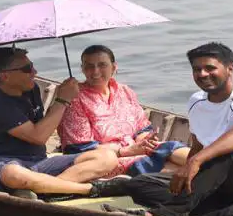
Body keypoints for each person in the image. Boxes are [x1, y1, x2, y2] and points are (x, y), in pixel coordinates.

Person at [114, 42, 233, 216]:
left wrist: (195, 162)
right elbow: (197, 146)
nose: (203, 74)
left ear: (229, 69)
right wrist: (186, 173)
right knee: (139, 184)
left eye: (210, 68)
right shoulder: (196, 101)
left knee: (228, 156)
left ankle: (170, 213)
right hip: (215, 185)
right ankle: (230, 214)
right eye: (197, 69)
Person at [0, 47, 130, 199]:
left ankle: (48, 188)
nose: (34, 72)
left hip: (36, 161)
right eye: (26, 69)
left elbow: (45, 123)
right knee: (13, 173)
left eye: (32, 66)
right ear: (4, 76)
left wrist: (60, 99)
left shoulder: (32, 89)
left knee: (107, 158)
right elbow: (38, 137)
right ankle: (88, 189)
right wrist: (63, 100)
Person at [58, 45, 191, 177]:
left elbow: (142, 129)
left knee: (173, 149)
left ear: (114, 67)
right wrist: (126, 151)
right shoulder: (75, 98)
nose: (96, 71)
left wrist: (145, 142)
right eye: (89, 66)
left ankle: (206, 164)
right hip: (106, 159)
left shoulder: (124, 91)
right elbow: (79, 148)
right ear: (82, 69)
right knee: (174, 170)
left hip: (136, 147)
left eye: (102, 65)